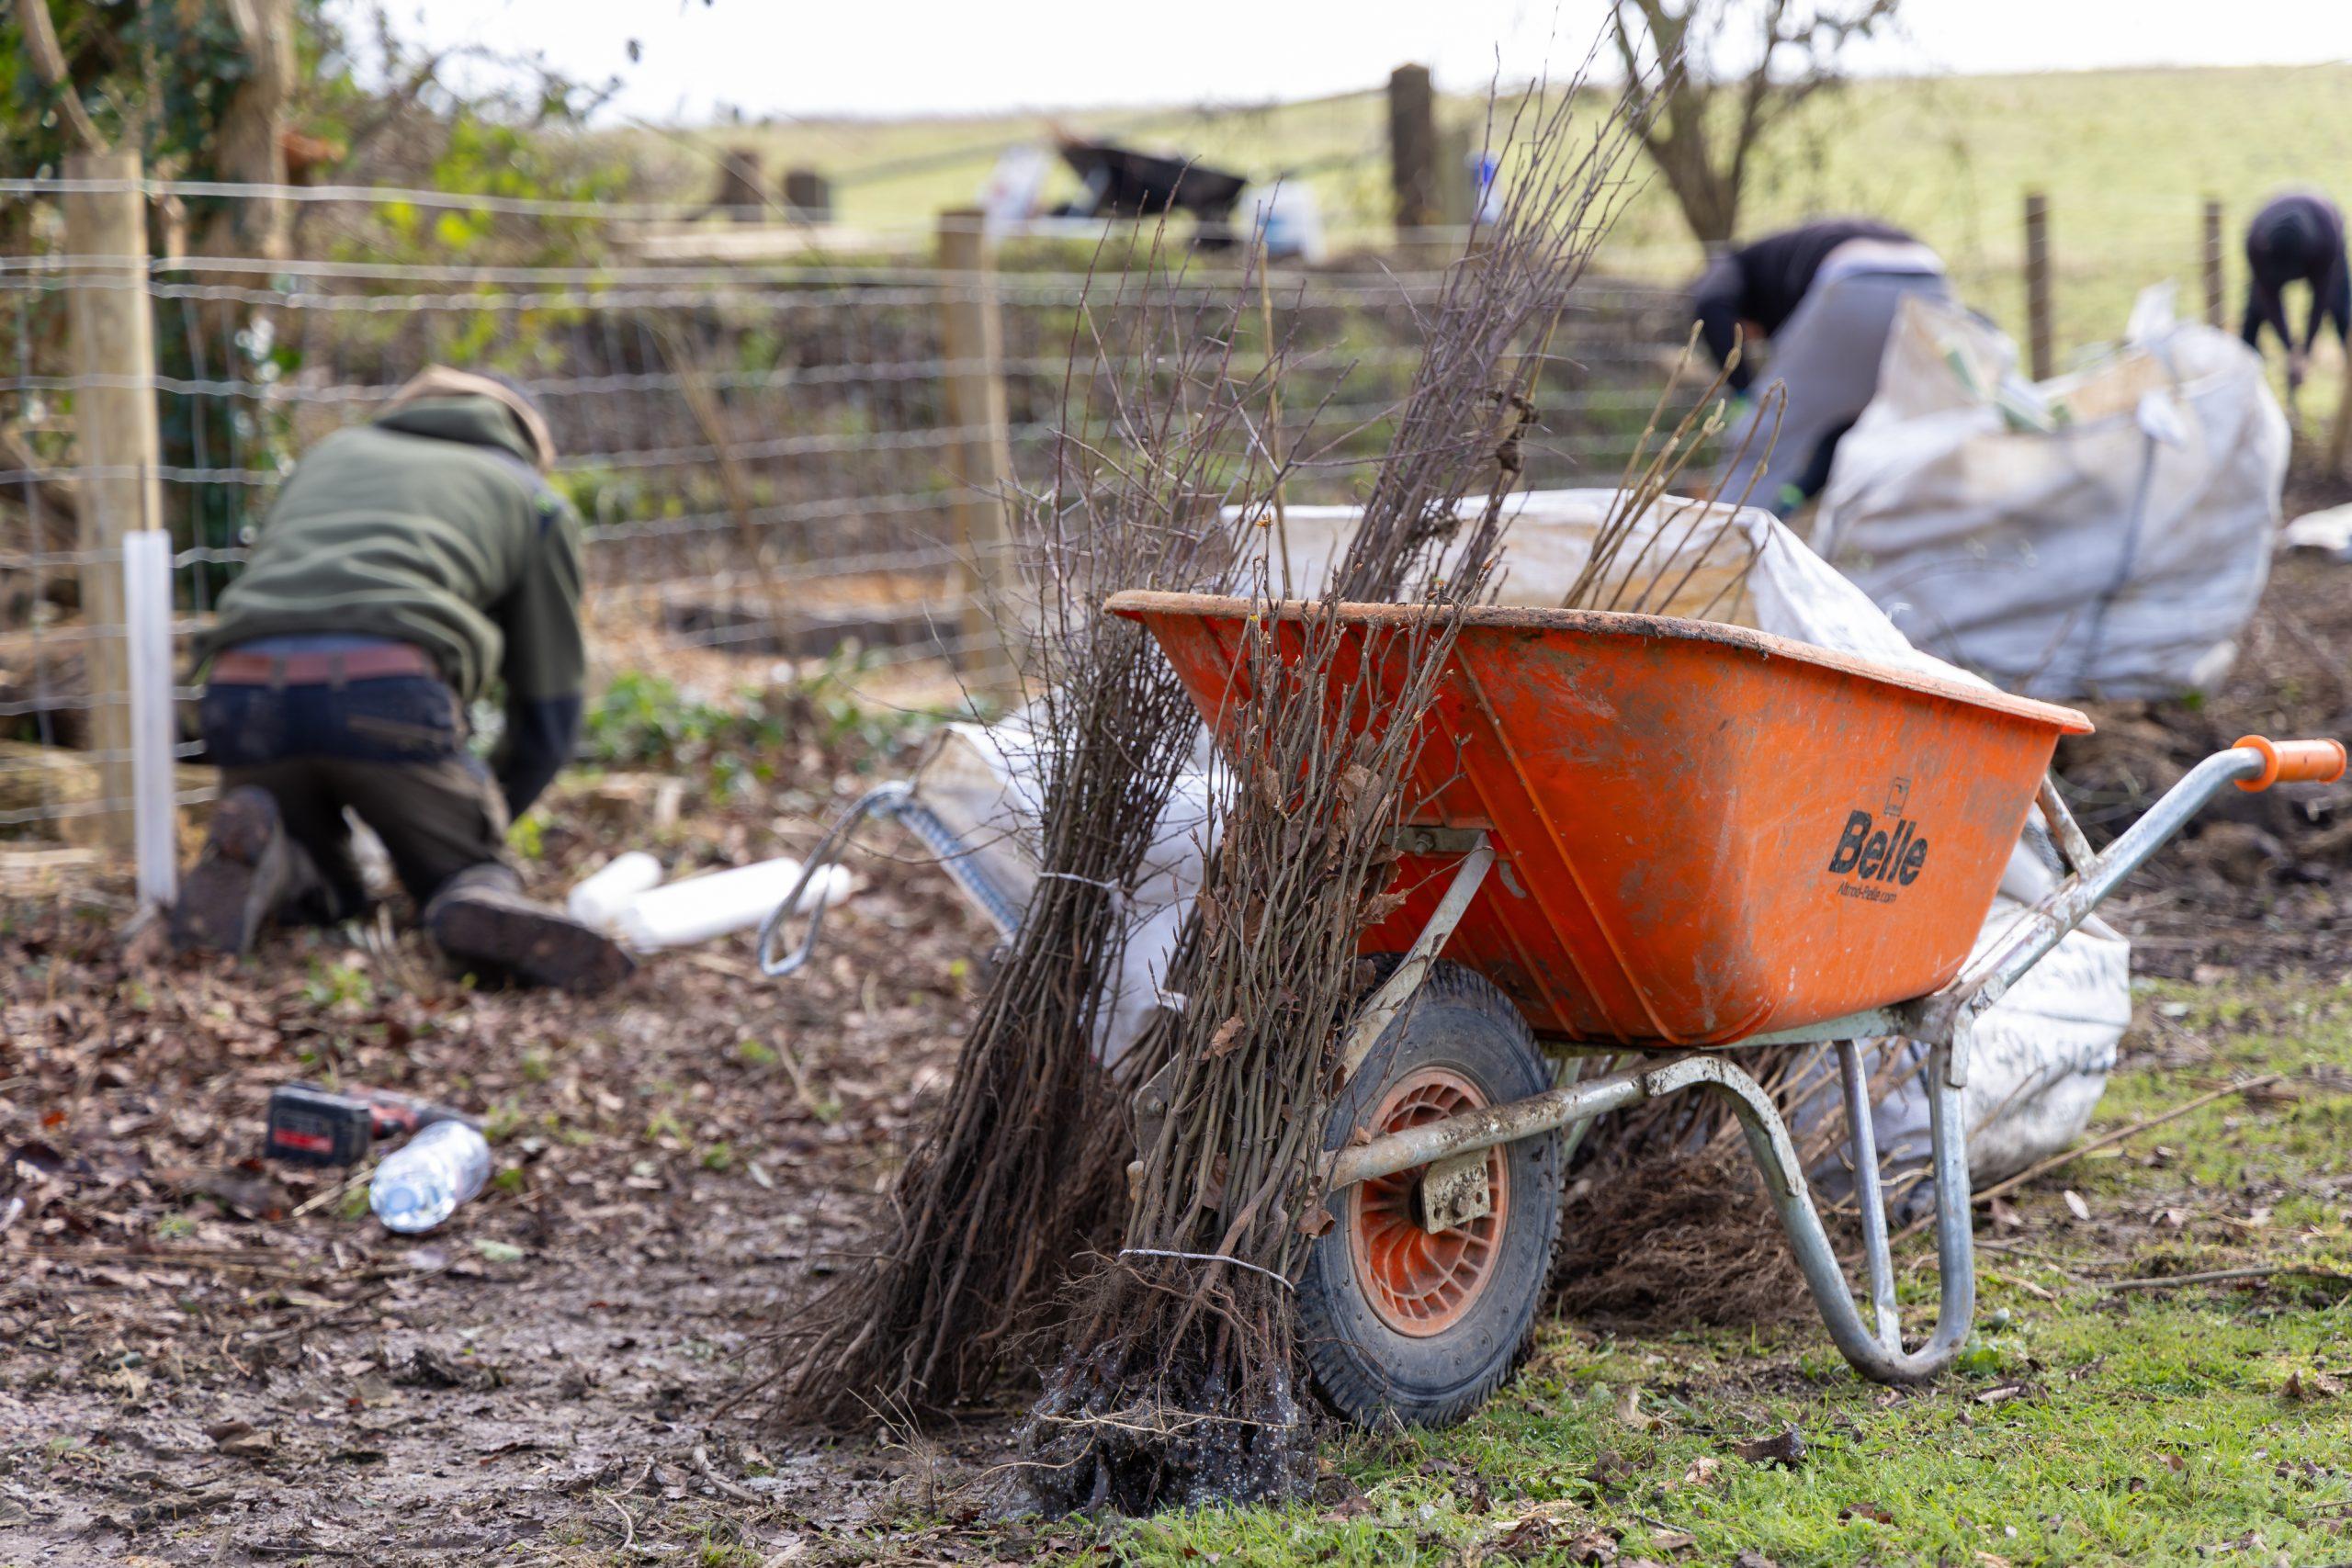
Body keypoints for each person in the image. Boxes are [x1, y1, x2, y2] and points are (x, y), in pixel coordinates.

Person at [171, 366, 631, 993]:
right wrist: (475, 820)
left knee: (329, 888)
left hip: (241, 689)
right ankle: (472, 893)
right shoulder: (533, 497)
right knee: (463, 872)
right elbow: (547, 711)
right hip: (384, 690)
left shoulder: (330, 453)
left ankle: (276, 862)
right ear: (529, 439)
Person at [1690, 218, 1951, 515]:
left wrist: (1744, 393)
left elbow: (1709, 303)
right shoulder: (1794, 265)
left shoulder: (1739, 263)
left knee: (1759, 441)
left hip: (1856, 278)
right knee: (1923, 432)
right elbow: (1841, 422)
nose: (1754, 338)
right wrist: (1799, 492)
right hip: (1933, 283)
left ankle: (1716, 549)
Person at [2241, 190, 2348, 394]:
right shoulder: (2257, 242)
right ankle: (2245, 384)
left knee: (2341, 310)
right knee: (2254, 313)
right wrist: (2290, 349)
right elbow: (2268, 297)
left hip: (2324, 229)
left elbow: (2321, 298)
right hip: (2269, 248)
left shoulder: (2327, 240)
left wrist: (2306, 351)